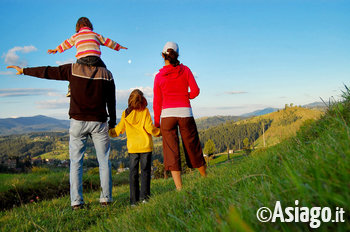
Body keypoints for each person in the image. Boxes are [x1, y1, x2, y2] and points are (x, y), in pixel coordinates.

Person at [7, 63, 116, 209]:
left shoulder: (73, 68)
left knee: (76, 163)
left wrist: (24, 70)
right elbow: (111, 100)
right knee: (104, 161)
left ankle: (76, 202)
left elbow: (48, 71)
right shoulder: (106, 73)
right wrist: (113, 122)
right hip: (99, 121)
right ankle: (106, 200)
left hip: (78, 121)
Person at [153, 41, 207, 191]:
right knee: (192, 146)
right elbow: (195, 91)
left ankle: (179, 188)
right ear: (177, 55)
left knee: (171, 151)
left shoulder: (158, 77)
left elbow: (157, 102)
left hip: (167, 116)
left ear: (163, 55)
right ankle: (205, 177)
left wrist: (157, 123)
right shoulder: (186, 70)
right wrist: (185, 95)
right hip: (185, 113)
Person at [47, 17, 127, 97]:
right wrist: (119, 47)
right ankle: (106, 84)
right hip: (95, 59)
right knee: (105, 70)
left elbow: (66, 44)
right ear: (90, 25)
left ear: (78, 26)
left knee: (74, 73)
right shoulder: (95, 35)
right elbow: (108, 42)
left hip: (82, 60)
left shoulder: (76, 36)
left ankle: (70, 89)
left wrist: (56, 49)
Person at [109, 89, 160, 205]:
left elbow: (119, 129)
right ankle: (144, 198)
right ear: (142, 100)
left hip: (133, 148)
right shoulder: (145, 111)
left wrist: (110, 132)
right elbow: (149, 128)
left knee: (133, 173)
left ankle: (133, 200)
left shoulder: (125, 113)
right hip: (145, 146)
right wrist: (159, 132)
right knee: (145, 172)